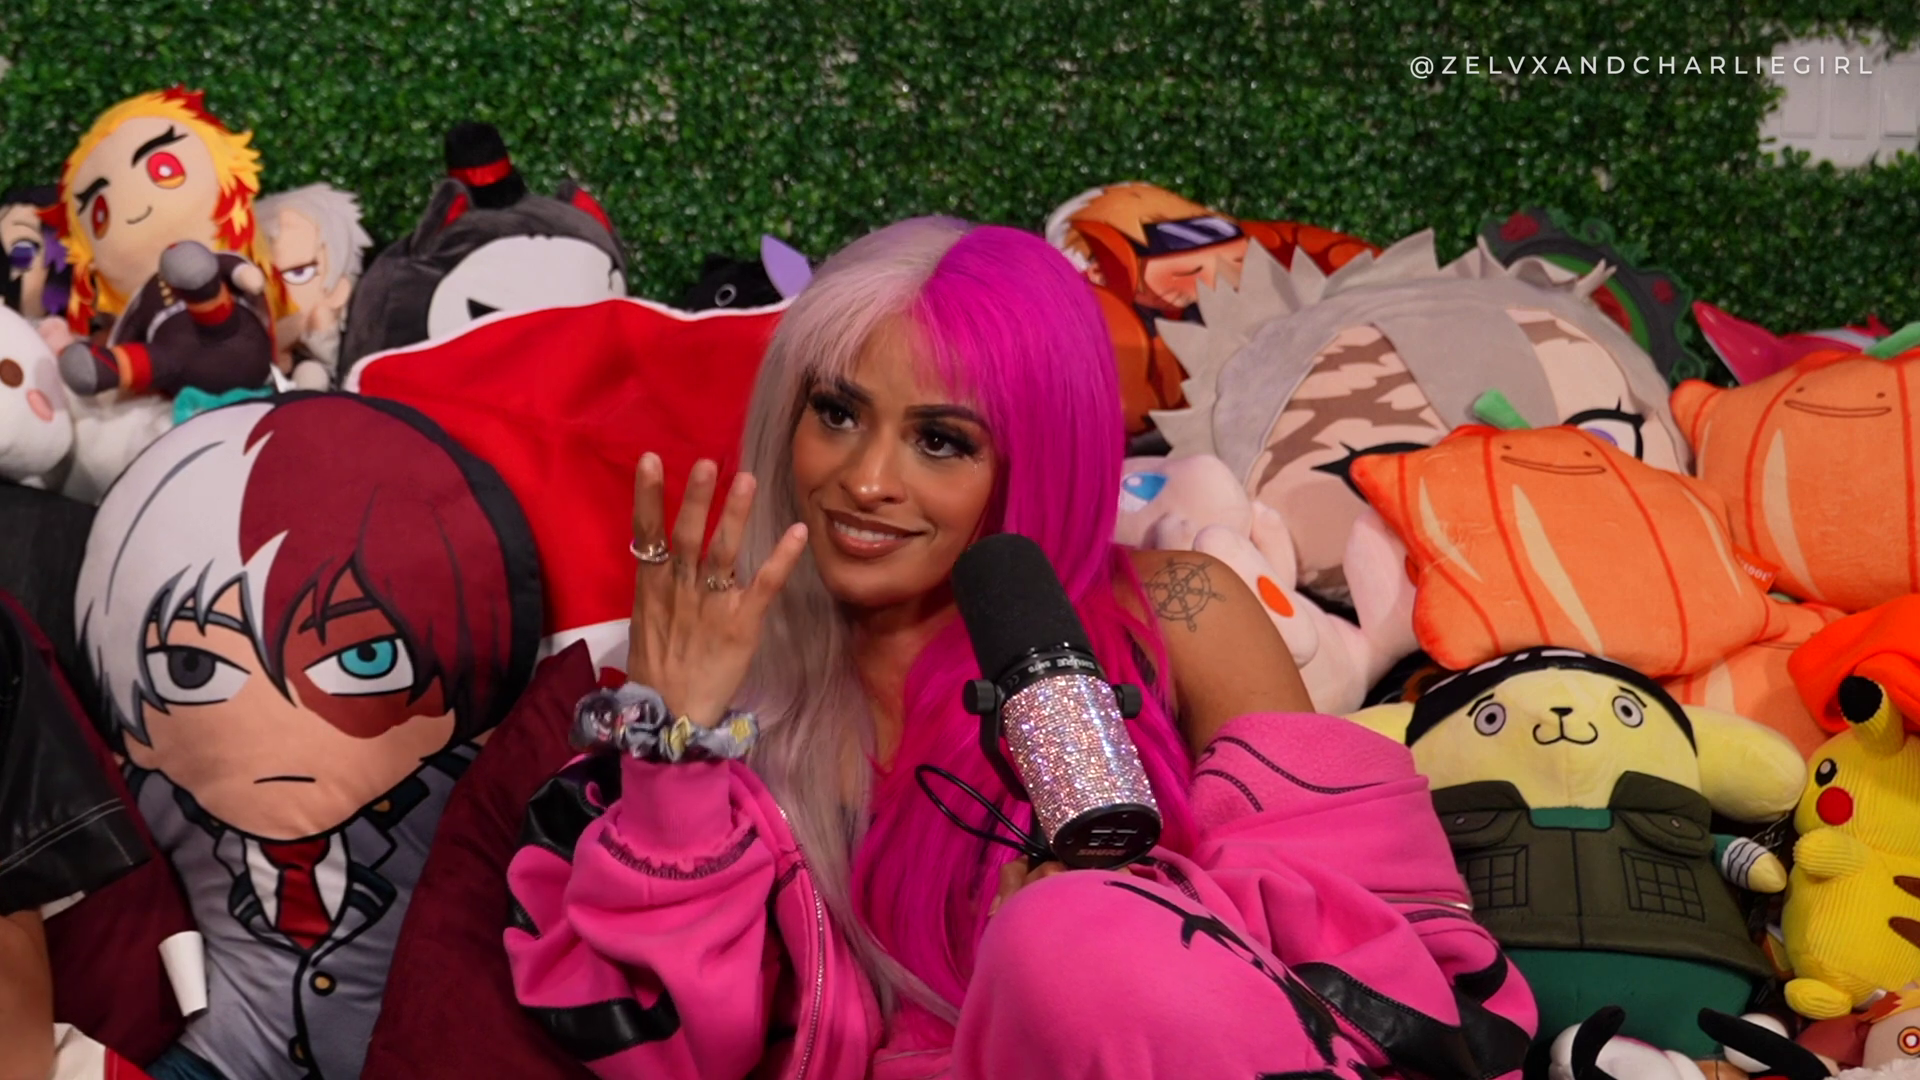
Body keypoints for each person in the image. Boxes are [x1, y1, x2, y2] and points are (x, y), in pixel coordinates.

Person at [504, 217, 1535, 1079]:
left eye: (940, 440)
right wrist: (675, 745)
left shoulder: (1179, 613)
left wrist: (1115, 923)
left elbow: (1388, 955)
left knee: (1067, 939)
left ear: (1035, 456)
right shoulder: (724, 672)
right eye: (838, 413)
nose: (866, 480)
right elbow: (674, 1056)